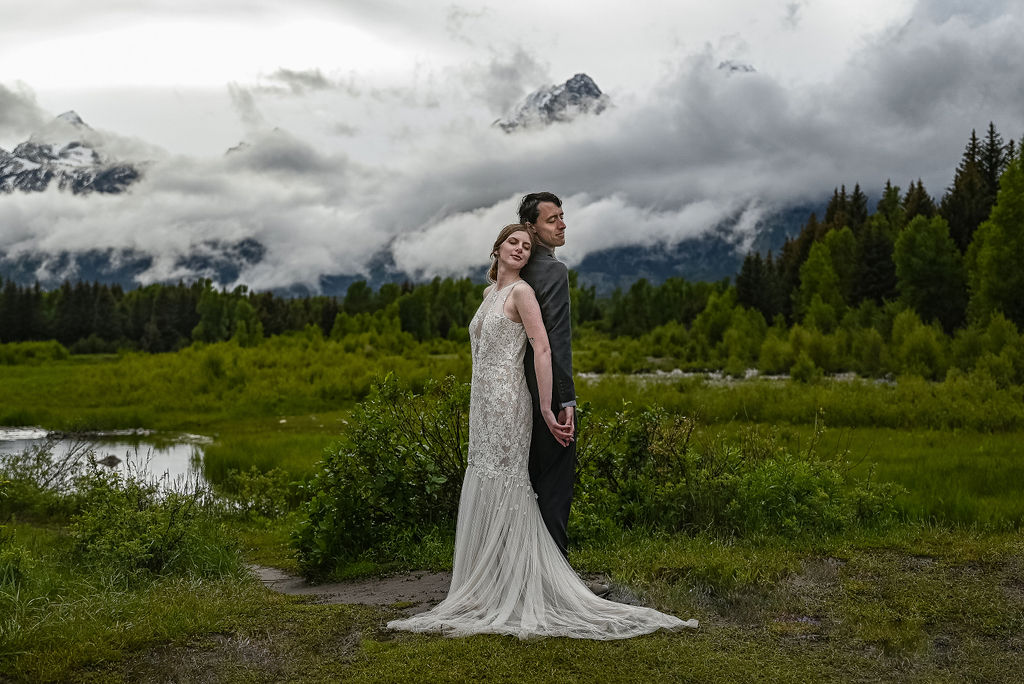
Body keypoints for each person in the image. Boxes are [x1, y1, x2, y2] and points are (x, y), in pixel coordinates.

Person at [386, 223, 697, 639]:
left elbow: (543, 347)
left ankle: (516, 585)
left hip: (509, 403)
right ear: (496, 249)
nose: (519, 248)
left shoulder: (521, 293)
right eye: (513, 242)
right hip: (482, 405)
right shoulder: (489, 294)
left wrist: (548, 408)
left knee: (508, 484)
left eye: (526, 246)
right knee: (484, 477)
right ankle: (488, 583)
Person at [517, 192, 576, 560]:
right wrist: (565, 398)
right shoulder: (554, 271)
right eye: (552, 219)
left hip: (514, 391)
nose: (562, 224)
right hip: (548, 390)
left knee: (526, 482)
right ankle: (556, 575)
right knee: (555, 484)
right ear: (532, 228)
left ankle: (521, 567)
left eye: (562, 216)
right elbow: (556, 339)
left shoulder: (513, 273)